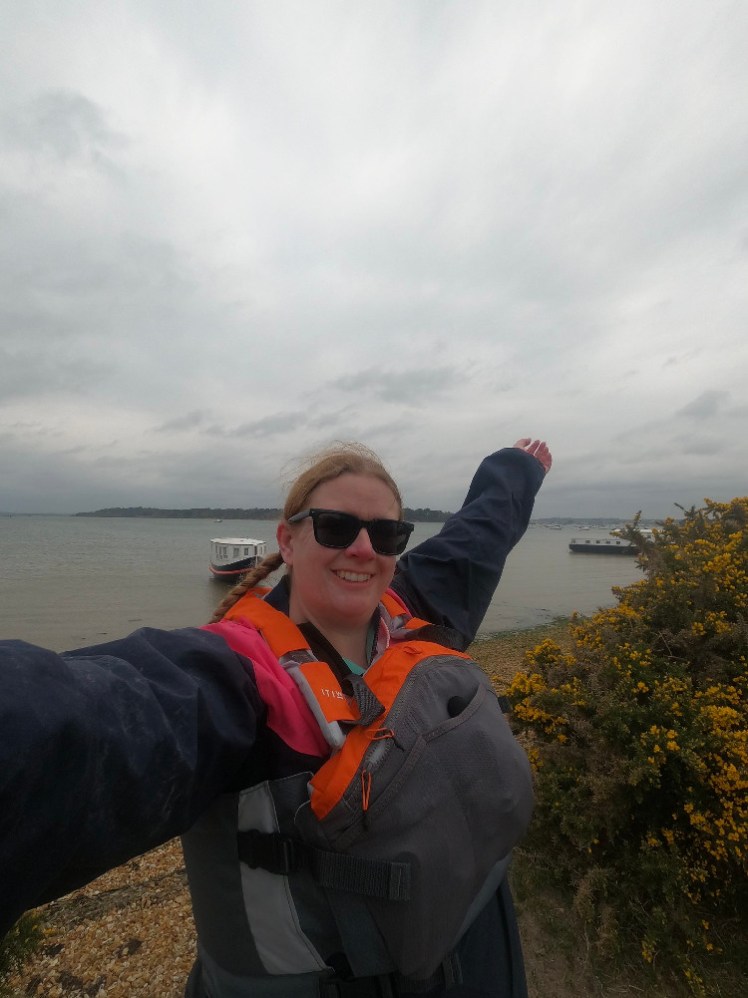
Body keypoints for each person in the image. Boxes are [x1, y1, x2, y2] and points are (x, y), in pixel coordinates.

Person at [0, 436, 551, 997]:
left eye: (387, 534)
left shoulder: (415, 607)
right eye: (336, 528)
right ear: (288, 540)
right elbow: (81, 721)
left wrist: (517, 470)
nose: (364, 549)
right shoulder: (235, 677)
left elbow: (475, 539)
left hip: (479, 955)